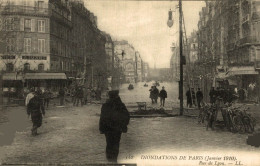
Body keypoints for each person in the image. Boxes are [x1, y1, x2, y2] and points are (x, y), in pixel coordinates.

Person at [99, 90, 130, 163]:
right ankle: (114, 160)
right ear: (116, 96)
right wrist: (123, 125)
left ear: (109, 96)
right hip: (117, 129)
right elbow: (127, 116)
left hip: (108, 129)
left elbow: (102, 118)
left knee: (109, 144)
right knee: (116, 144)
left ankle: (110, 160)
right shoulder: (121, 105)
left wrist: (102, 128)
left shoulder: (105, 105)